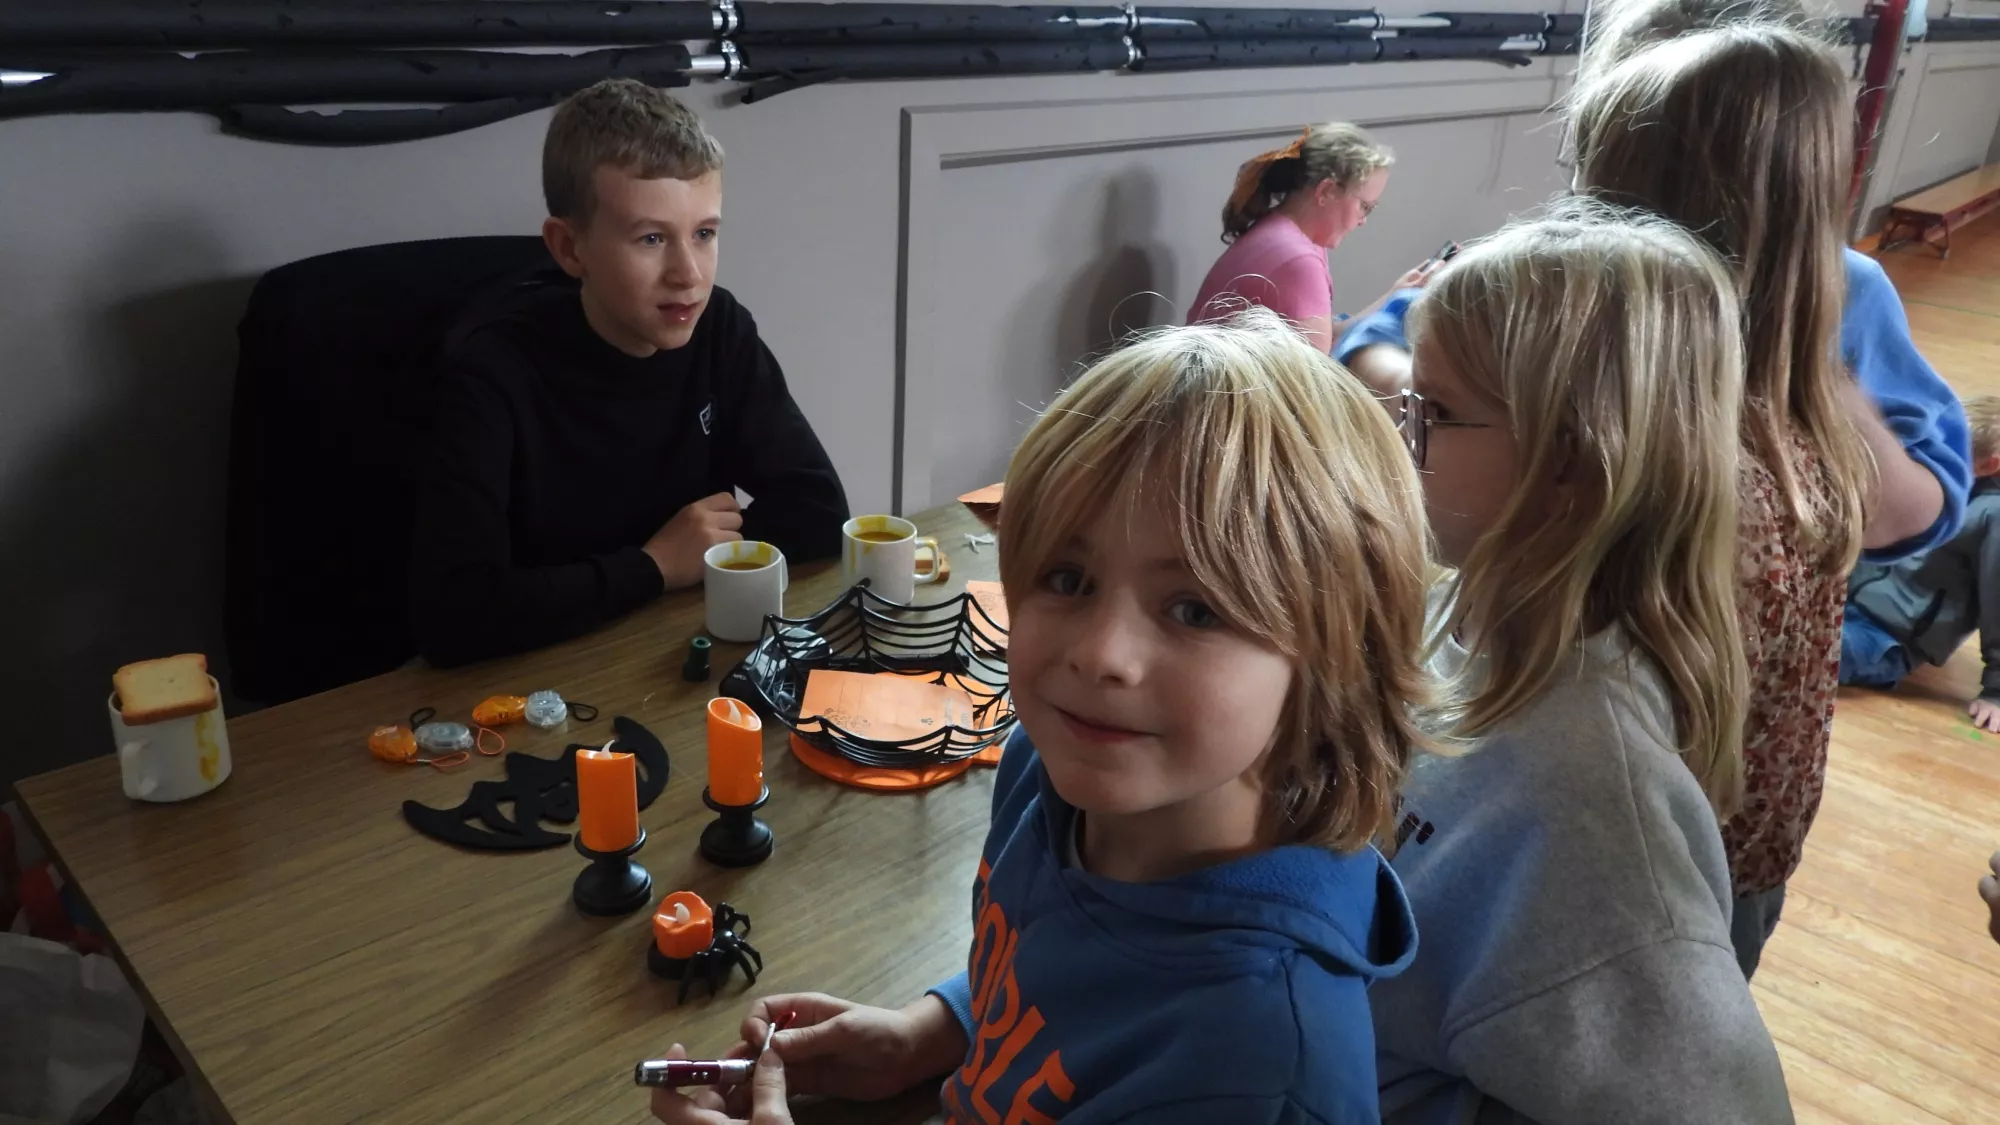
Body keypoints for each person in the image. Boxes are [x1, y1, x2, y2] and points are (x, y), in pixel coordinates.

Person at [650, 309, 1439, 1124]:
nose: (1101, 653)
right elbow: (1059, 975)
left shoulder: (1263, 1067)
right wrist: (932, 1032)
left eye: (1195, 608)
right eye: (1068, 578)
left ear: (1337, 654)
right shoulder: (1052, 767)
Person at [1368, 199, 1792, 1123]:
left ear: (1574, 461)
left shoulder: (1594, 792)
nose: (1402, 437)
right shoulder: (1455, 604)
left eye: (1435, 413)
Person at [1568, 11, 1955, 980]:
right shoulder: (1559, 287)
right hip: (1574, 792)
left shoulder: (1844, 303)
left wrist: (1810, 364)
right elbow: (1395, 349)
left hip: (1710, 822)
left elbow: (1917, 510)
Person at [408, 79, 848, 667]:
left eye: (704, 233)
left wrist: (695, 555)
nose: (689, 274)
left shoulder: (718, 328)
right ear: (569, 249)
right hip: (536, 670)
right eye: (651, 238)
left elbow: (818, 510)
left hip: (660, 646)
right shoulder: (492, 375)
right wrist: (655, 566)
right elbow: (454, 613)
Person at [1187, 123, 1435, 364]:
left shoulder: (1287, 234)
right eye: (1365, 206)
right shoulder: (1297, 260)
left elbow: (1327, 337)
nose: (1363, 221)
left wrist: (1393, 296)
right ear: (1326, 191)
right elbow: (1317, 373)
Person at [1842, 395, 2000, 726]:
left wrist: (1996, 691)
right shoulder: (1932, 470)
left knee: (1796, 655)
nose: (1936, 456)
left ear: (1989, 466)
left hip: (1887, 638)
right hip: (1843, 598)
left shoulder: (1992, 516)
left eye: (1953, 452)